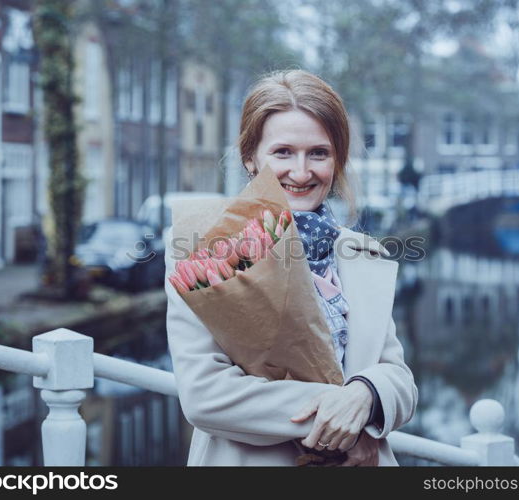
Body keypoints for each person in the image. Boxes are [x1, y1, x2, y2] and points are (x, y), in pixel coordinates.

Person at [165, 69, 418, 466]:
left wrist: (367, 394)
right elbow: (205, 396)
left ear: (337, 160)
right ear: (251, 158)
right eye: (282, 152)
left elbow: (401, 380)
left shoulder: (362, 254)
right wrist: (343, 418)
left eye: (319, 153)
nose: (301, 173)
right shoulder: (207, 248)